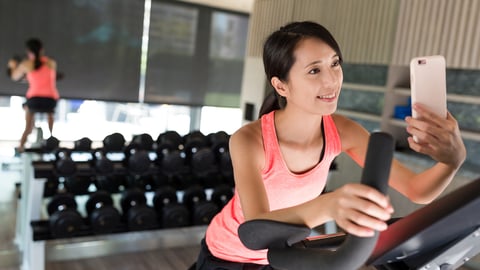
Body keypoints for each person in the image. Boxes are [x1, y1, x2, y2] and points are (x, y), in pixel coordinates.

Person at [192, 21, 466, 269]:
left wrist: (453, 160)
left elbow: (417, 190)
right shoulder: (249, 140)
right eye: (314, 70)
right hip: (228, 255)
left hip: (283, 255)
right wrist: (331, 205)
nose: (331, 80)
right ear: (281, 86)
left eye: (335, 64)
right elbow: (257, 228)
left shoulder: (341, 130)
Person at [7, 38, 60, 152]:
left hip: (34, 99)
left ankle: (21, 146)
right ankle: (52, 138)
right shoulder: (51, 62)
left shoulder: (26, 64)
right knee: (49, 113)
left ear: (28, 51)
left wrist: (12, 66)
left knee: (28, 125)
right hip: (51, 100)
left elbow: (14, 77)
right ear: (42, 50)